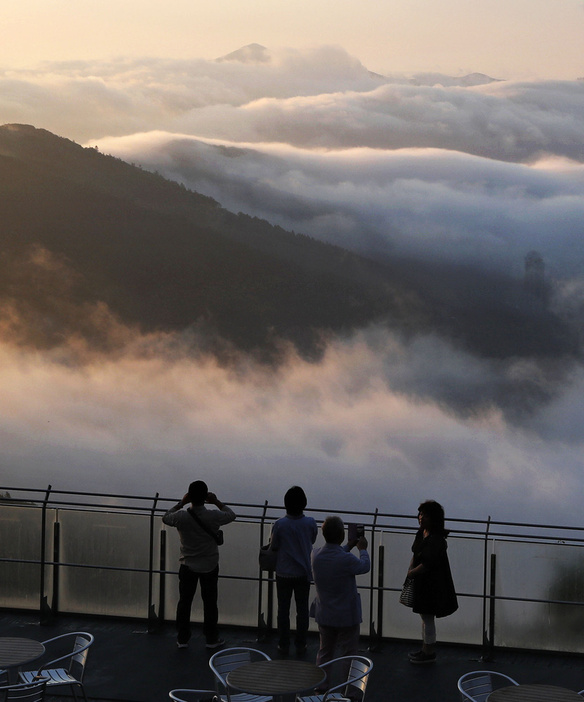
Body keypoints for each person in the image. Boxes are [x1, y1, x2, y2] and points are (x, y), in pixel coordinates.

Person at [162, 480, 236, 649]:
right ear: (206, 497)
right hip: (209, 564)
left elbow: (165, 517)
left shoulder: (181, 516)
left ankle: (182, 638)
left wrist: (181, 503)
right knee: (210, 603)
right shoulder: (213, 515)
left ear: (189, 496)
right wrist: (216, 502)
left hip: (187, 565)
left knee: (185, 602)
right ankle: (211, 638)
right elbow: (231, 515)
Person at [311, 516, 370, 675]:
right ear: (341, 535)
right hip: (346, 616)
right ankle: (349, 693)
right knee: (349, 655)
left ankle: (321, 689)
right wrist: (362, 549)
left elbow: (333, 556)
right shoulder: (347, 559)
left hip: (325, 614)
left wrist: (348, 546)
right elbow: (365, 566)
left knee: (325, 652)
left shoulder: (315, 555)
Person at [406, 499, 458, 664]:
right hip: (425, 582)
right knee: (425, 616)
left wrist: (411, 573)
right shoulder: (426, 535)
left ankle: (428, 651)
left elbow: (427, 563)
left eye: (425, 515)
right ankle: (426, 649)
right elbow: (417, 556)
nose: (421, 517)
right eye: (420, 514)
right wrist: (412, 572)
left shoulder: (434, 539)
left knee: (427, 617)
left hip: (431, 584)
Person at [269, 485, 318, 656]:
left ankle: (283, 644)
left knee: (283, 609)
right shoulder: (310, 523)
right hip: (303, 572)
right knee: (302, 610)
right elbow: (312, 539)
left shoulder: (280, 524)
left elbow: (274, 546)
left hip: (283, 572)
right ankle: (301, 643)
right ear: (304, 503)